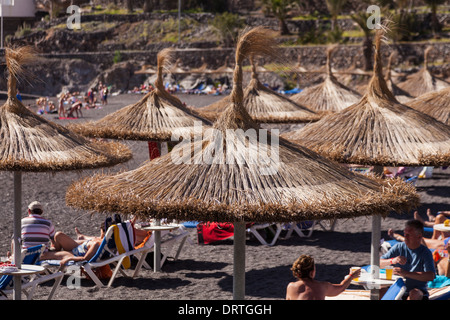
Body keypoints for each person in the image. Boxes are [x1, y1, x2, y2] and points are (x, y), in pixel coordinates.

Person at [381, 220, 436, 300]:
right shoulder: (399, 247)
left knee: (414, 293)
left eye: (408, 235)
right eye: (405, 234)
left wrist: (406, 273)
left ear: (419, 236)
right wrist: (392, 260)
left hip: (417, 291)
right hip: (396, 288)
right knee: (382, 291)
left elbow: (431, 276)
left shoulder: (425, 253)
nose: (405, 237)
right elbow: (378, 263)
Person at [286, 254, 360, 300]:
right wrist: (351, 276)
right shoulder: (322, 286)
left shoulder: (291, 287)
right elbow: (341, 287)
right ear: (312, 272)